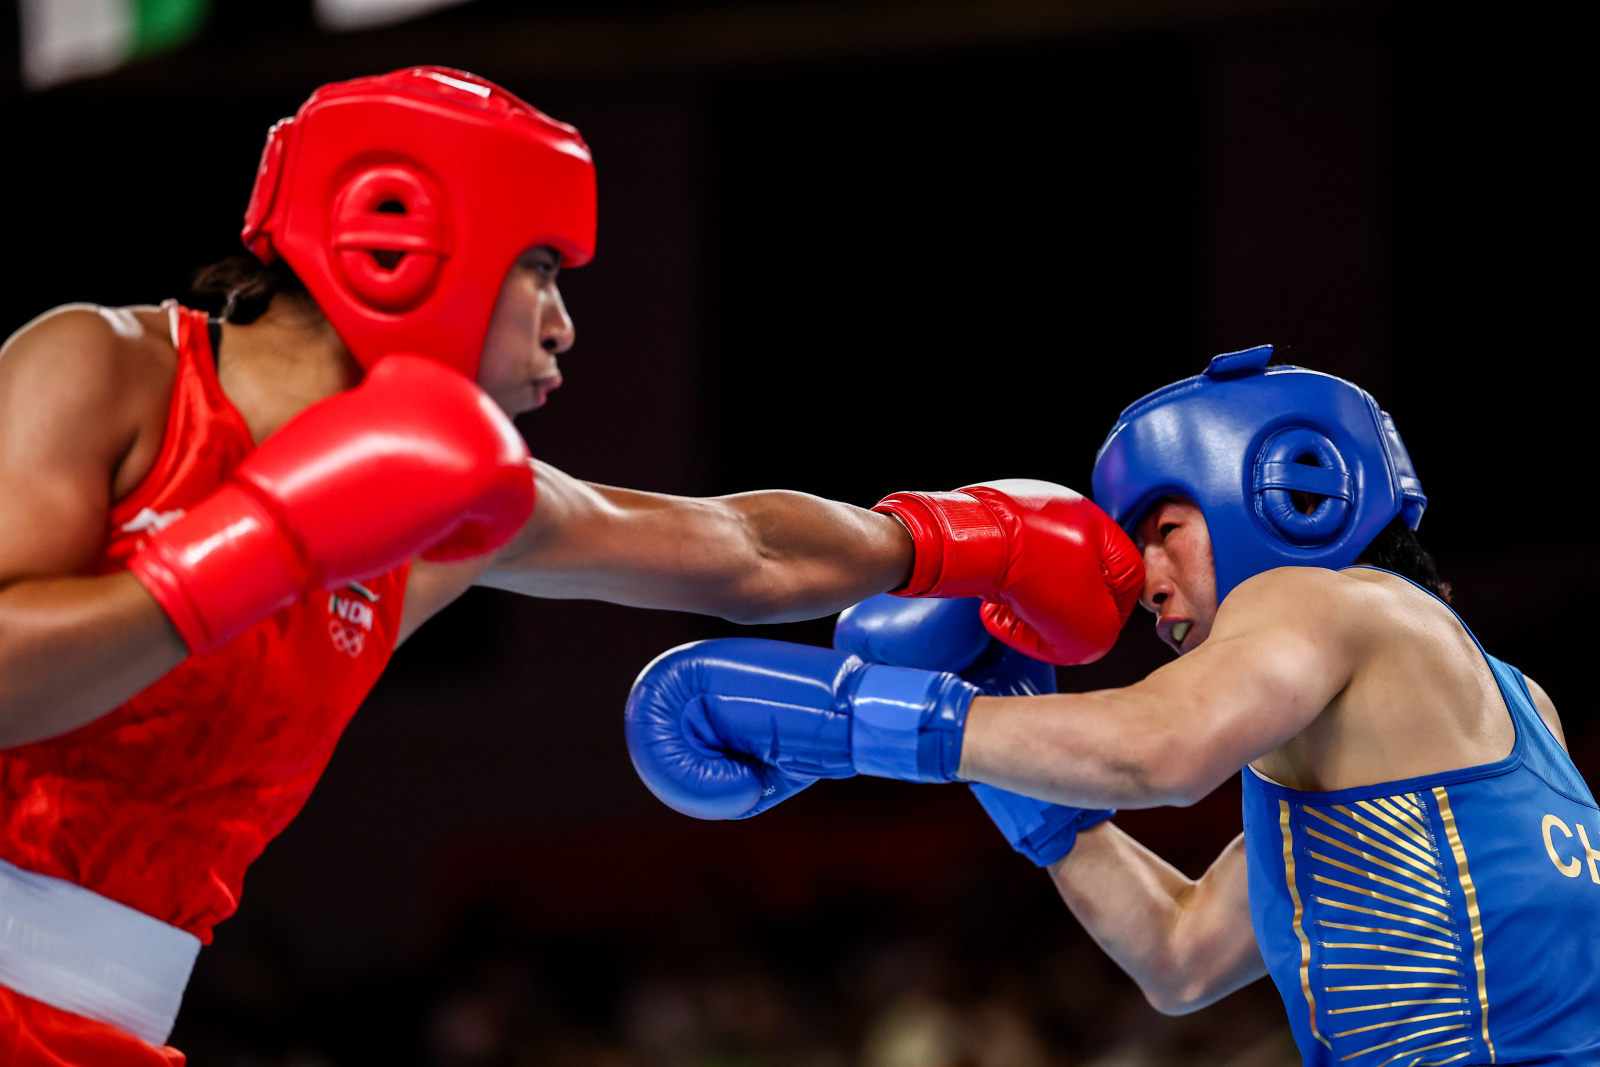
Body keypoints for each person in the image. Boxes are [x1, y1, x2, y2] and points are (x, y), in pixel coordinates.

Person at [0, 67, 1142, 1065]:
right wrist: (269, 539)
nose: (562, 325)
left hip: (106, 1026)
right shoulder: (103, 369)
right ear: (397, 232)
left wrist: (952, 541)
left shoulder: (441, 508)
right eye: (539, 268)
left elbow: (738, 548)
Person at [627, 344, 1600, 1066]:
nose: (1143, 578)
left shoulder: (1326, 596)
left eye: (1166, 529)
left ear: (1291, 493)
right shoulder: (1471, 711)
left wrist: (855, 714)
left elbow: (1158, 752)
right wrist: (1020, 778)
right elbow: (1178, 956)